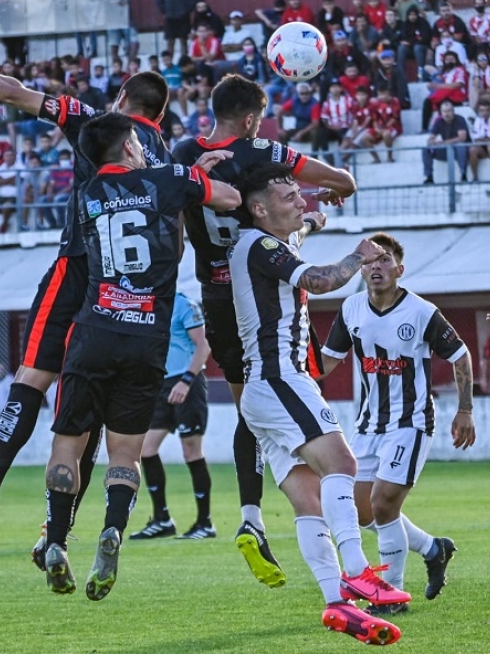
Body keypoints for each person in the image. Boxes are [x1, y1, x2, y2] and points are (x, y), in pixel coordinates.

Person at [0, 50, 208, 539]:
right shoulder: (165, 156)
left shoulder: (98, 123)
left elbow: (12, 90)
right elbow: (182, 234)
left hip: (78, 267)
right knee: (89, 412)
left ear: (121, 100)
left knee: (33, 378)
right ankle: (60, 531)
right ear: (159, 115)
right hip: (137, 297)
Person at [38, 113, 238, 599]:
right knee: (125, 452)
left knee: (69, 445)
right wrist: (197, 177)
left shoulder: (84, 198)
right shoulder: (167, 177)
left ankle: (57, 540)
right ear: (132, 144)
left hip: (94, 331)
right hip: (147, 337)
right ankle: (113, 530)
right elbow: (228, 199)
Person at [172, 73, 357, 590]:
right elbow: (343, 181)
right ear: (253, 117)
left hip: (216, 293)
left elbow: (167, 204)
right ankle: (354, 558)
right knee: (292, 382)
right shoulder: (261, 150)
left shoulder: (186, 152)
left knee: (250, 405)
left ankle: (251, 514)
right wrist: (327, 195)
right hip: (266, 284)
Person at [231, 162, 408, 644]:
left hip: (262, 388)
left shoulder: (269, 242)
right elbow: (321, 281)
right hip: (281, 377)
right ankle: (355, 570)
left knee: (309, 499)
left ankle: (338, 605)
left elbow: (300, 236)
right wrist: (359, 256)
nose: (301, 201)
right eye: (291, 197)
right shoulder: (259, 244)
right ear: (260, 209)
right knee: (343, 466)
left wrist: (312, 220)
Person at [320, 231, 474, 612]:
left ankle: (392, 595)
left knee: (385, 503)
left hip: (411, 421)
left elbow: (460, 355)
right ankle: (433, 549)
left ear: (399, 269)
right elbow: (326, 362)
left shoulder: (421, 312)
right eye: (370, 261)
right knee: (363, 512)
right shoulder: (351, 309)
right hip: (369, 425)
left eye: (384, 260)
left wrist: (465, 409)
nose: (376, 267)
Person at [130, 292, 214, 541]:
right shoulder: (146, 305)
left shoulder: (184, 304)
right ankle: (162, 519)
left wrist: (186, 381)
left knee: (191, 451)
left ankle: (204, 522)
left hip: (187, 381)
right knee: (146, 449)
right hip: (160, 384)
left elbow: (203, 345)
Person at [422, 99, 468, 184]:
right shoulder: (439, 121)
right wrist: (432, 141)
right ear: (441, 112)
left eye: (449, 111)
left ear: (453, 111)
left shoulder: (460, 119)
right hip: (446, 150)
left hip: (459, 150)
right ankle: (429, 176)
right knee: (426, 149)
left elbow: (462, 138)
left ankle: (463, 174)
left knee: (460, 146)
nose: (447, 114)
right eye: (444, 111)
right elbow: (431, 138)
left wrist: (443, 143)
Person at [468, 100, 490, 180]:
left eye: (487, 110)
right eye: (482, 110)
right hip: (483, 147)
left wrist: (482, 139)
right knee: (472, 150)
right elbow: (476, 139)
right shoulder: (478, 119)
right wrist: (486, 139)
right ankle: (475, 177)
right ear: (479, 111)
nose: (485, 112)